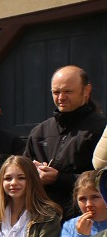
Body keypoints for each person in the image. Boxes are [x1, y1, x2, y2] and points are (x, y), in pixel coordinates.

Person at [25, 66, 103, 218]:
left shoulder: (101, 129)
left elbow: (102, 178)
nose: (61, 97)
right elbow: (20, 172)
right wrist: (33, 175)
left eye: (68, 91)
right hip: (43, 221)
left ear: (86, 91)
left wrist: (59, 178)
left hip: (85, 221)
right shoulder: (39, 132)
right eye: (56, 92)